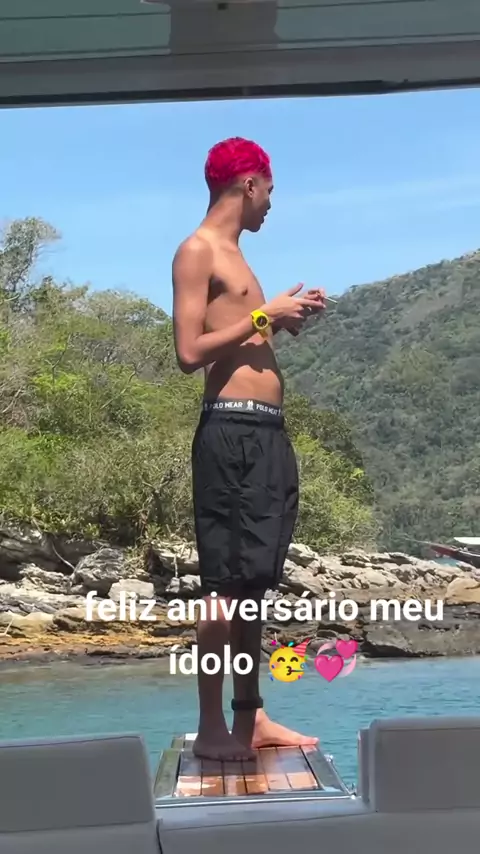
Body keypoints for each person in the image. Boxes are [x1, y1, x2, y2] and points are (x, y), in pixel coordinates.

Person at [172, 136, 326, 761]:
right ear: (249, 183)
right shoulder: (198, 250)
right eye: (270, 191)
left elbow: (239, 338)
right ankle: (212, 727)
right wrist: (265, 315)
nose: (270, 205)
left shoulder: (238, 257)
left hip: (265, 435)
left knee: (252, 586)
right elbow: (189, 353)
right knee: (222, 587)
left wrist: (279, 318)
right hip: (230, 433)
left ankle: (251, 717)